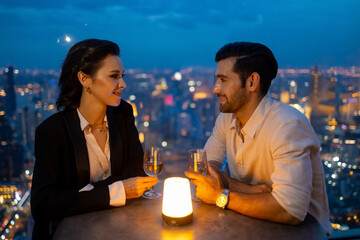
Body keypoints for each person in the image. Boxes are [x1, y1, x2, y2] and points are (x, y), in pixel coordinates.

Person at [185, 42, 332, 235]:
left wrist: (222, 196)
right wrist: (256, 192)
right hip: (250, 226)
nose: (215, 89)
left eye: (223, 80)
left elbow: (290, 210)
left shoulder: (287, 125)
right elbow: (206, 172)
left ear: (252, 82)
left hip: (302, 234)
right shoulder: (227, 118)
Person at [31, 39, 157, 239]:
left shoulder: (123, 113)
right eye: (114, 76)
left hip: (117, 227)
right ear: (85, 79)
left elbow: (137, 170)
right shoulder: (52, 132)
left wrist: (82, 194)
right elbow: (43, 205)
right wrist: (116, 190)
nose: (123, 84)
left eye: (122, 76)